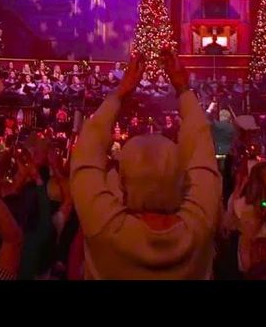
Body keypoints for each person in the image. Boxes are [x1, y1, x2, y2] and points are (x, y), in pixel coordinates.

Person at [69, 51, 221, 279]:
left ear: (123, 183)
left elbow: (85, 155)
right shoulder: (199, 224)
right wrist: (183, 88)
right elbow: (202, 149)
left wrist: (119, 94)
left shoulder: (104, 226)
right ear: (180, 178)